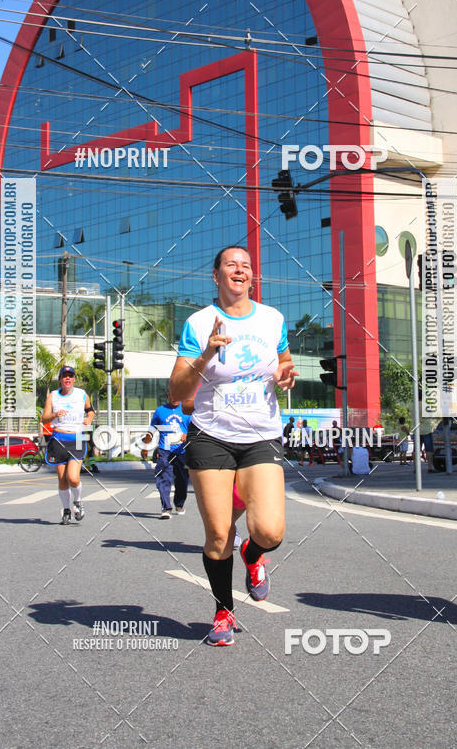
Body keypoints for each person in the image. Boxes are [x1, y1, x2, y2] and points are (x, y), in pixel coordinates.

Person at [168, 245, 298, 647]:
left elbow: (284, 362)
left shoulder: (272, 319)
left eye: (245, 266)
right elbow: (176, 392)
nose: (239, 270)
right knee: (219, 533)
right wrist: (207, 352)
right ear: (216, 275)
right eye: (230, 265)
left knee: (270, 531)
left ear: (252, 276)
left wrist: (286, 375)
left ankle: (253, 554)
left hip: (261, 434)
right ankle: (224, 611)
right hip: (211, 436)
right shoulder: (198, 323)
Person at [41, 365, 95, 524]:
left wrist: (89, 419)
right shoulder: (53, 396)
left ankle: (78, 501)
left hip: (76, 439)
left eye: (70, 376)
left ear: (74, 379)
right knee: (62, 479)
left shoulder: (81, 394)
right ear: (60, 380)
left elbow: (90, 411)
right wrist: (55, 414)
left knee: (73, 477)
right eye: (64, 376)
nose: (68, 379)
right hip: (58, 438)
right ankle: (66, 510)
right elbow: (44, 418)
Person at [142, 396, 191, 518]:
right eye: (172, 395)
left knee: (182, 480)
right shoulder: (160, 410)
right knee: (164, 477)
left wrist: (188, 435)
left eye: (177, 395)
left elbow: (195, 428)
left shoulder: (187, 409)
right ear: (168, 395)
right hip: (165, 450)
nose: (174, 398)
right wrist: (145, 446)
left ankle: (179, 503)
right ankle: (166, 508)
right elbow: (152, 429)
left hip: (182, 450)